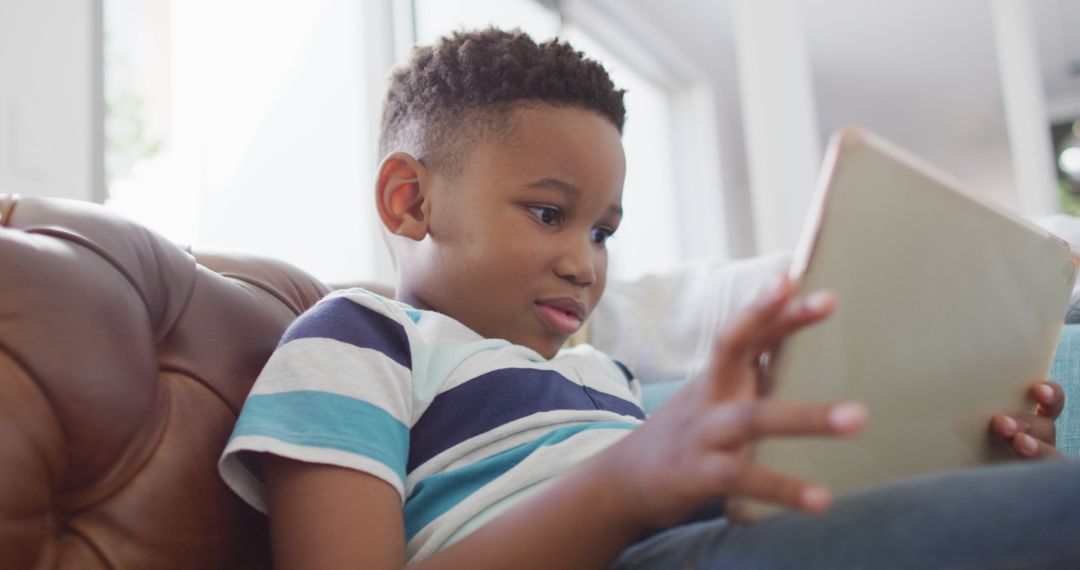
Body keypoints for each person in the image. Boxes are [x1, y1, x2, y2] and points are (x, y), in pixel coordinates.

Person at [219, 28, 1080, 569]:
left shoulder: (607, 375)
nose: (584, 262)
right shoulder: (358, 338)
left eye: (602, 231)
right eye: (550, 213)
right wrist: (624, 485)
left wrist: (955, 445)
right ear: (411, 200)